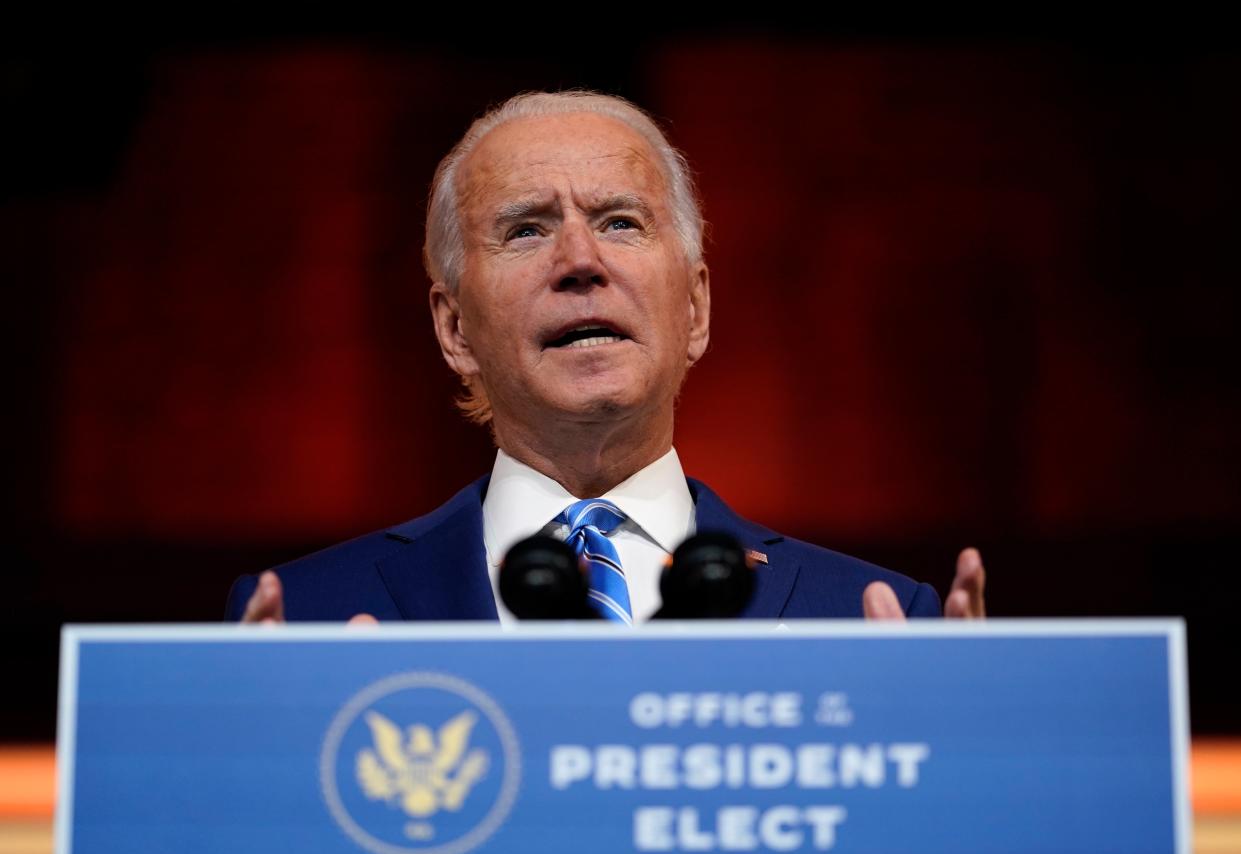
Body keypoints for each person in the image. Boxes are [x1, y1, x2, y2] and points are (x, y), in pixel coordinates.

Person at [228, 91, 985, 625]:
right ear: (454, 329)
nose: (579, 261)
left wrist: (959, 764)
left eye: (620, 222)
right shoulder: (304, 619)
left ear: (695, 308)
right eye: (525, 230)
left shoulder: (875, 623)